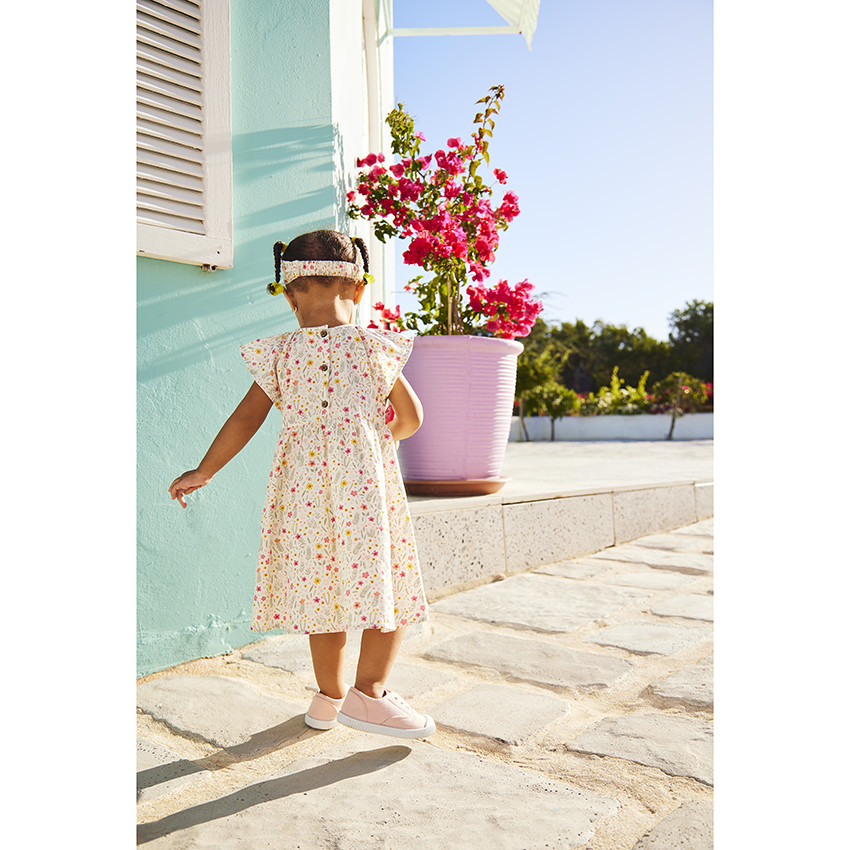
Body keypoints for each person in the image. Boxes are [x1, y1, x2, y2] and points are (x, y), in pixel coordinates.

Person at [168, 229, 435, 739]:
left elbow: (244, 420)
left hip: (304, 497)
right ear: (358, 290)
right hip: (366, 496)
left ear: (289, 297)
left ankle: (329, 698)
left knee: (323, 594)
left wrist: (204, 471)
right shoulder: (373, 345)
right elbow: (412, 416)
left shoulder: (281, 354)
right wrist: (383, 444)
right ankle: (370, 695)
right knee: (388, 588)